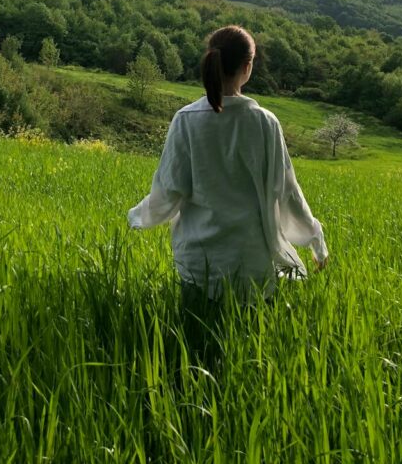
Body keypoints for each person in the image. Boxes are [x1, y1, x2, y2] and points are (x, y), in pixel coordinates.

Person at [127, 25, 329, 299]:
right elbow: (287, 193)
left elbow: (169, 189)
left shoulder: (186, 120)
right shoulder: (265, 123)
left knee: (191, 338)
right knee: (248, 338)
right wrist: (315, 239)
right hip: (253, 266)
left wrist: (137, 217)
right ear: (247, 67)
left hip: (199, 265)